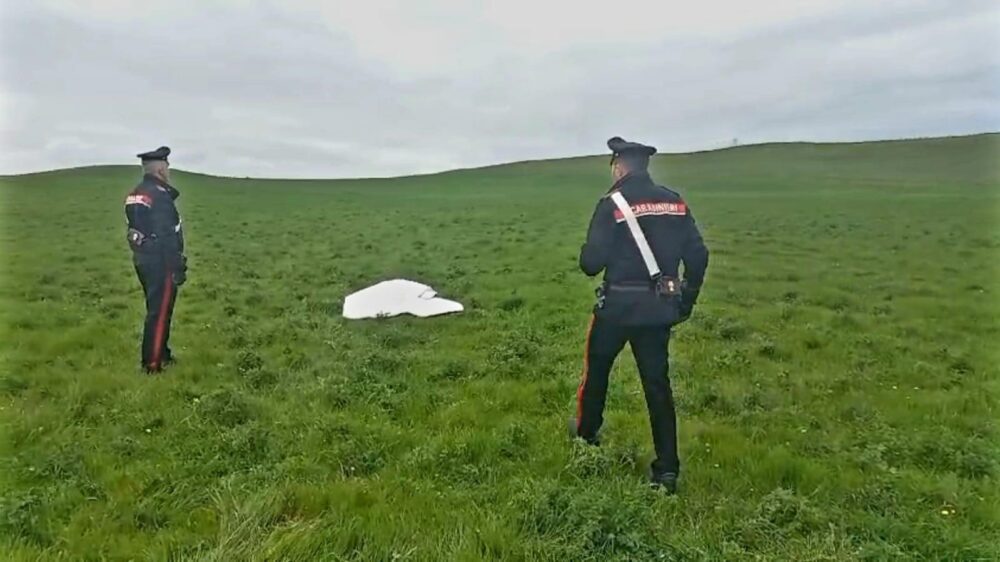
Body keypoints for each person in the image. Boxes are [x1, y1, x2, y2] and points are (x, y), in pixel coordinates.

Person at [570, 136, 709, 493]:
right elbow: (698, 256)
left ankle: (587, 436)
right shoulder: (675, 202)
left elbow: (590, 264)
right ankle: (667, 470)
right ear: (644, 166)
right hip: (658, 311)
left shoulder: (611, 204)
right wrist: (686, 301)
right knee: (657, 386)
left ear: (619, 166)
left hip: (616, 307)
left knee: (597, 371)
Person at [124, 146, 187, 373]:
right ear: (160, 169)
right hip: (160, 262)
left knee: (155, 308)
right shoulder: (160, 196)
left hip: (142, 259)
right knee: (159, 313)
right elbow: (167, 235)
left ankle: (163, 353)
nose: (168, 171)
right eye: (167, 166)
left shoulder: (135, 194)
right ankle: (152, 364)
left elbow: (134, 230)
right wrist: (177, 266)